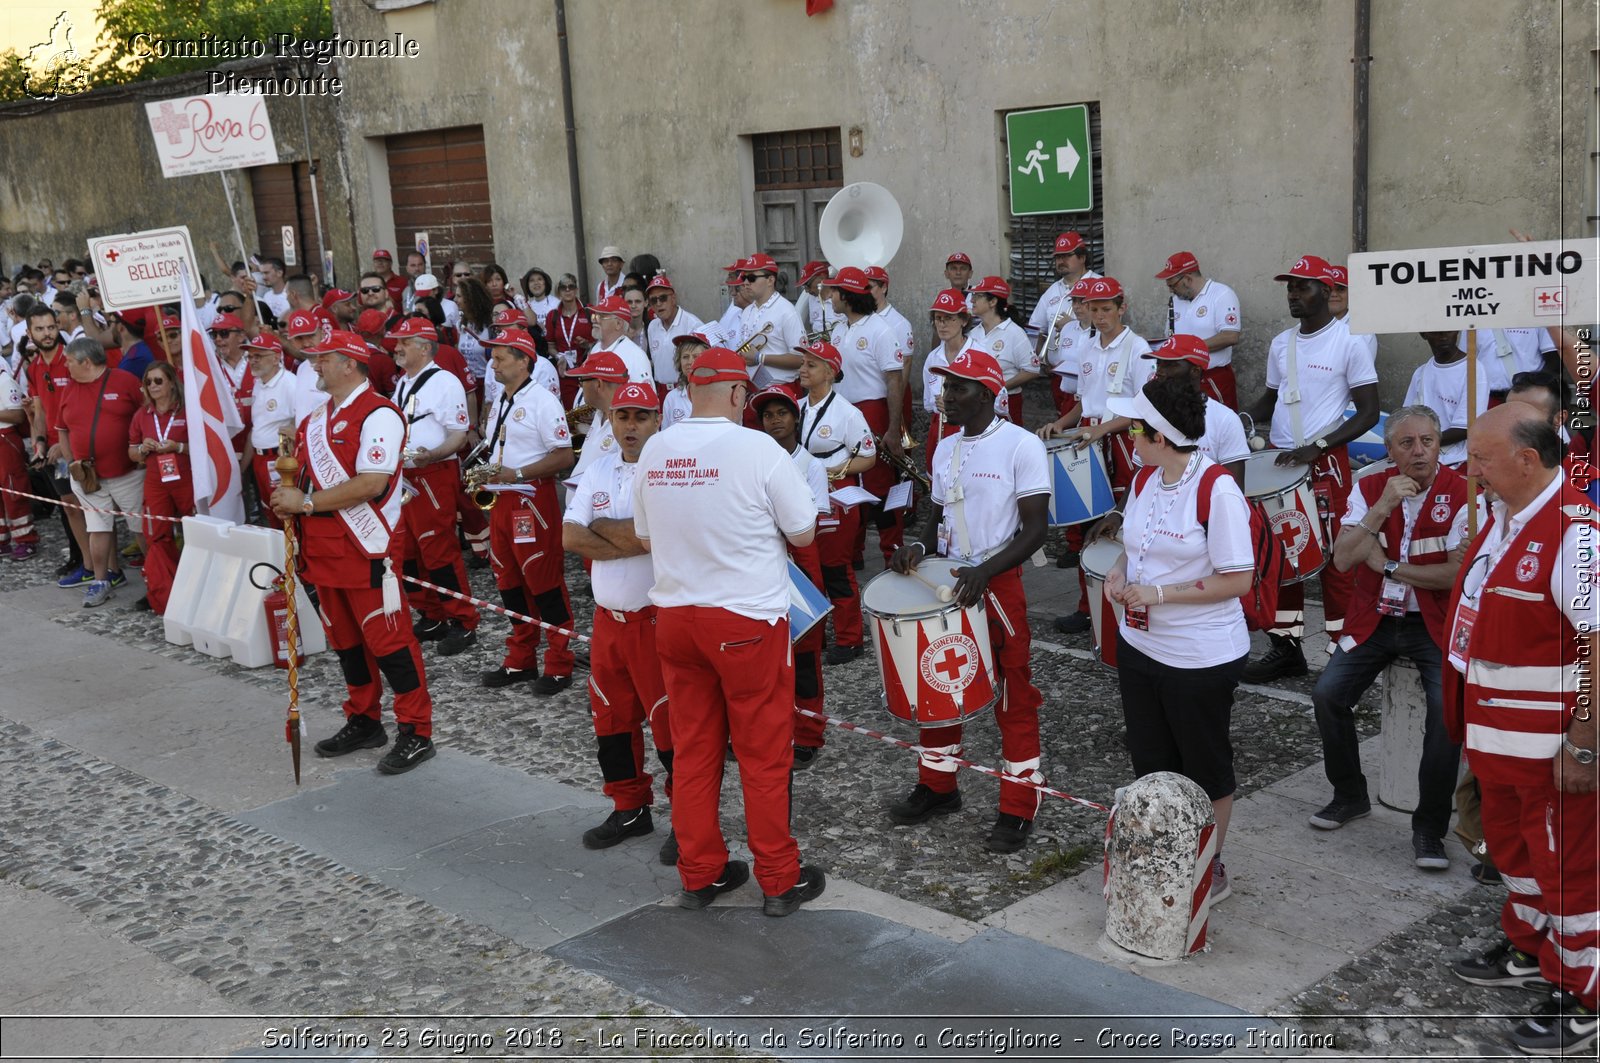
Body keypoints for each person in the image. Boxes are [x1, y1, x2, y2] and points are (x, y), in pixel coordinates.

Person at [633, 347, 825, 916]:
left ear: (693, 389)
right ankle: (776, 878)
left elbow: (645, 537)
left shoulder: (657, 449)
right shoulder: (758, 448)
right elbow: (804, 532)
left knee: (693, 752)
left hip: (675, 617)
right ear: (740, 394)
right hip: (744, 619)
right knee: (764, 755)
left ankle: (700, 873)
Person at [1444, 403, 1599, 1056]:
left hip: (1549, 750)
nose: (1471, 471)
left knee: (1571, 871)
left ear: (1527, 459)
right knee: (1512, 850)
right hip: (1498, 737)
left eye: (1481, 458)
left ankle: (1583, 990)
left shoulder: (1578, 532)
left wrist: (1586, 745)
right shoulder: (1505, 518)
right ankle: (1532, 941)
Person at [887, 348, 1049, 854]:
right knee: (940, 682)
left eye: (957, 388)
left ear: (987, 393)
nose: (945, 397)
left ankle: (1018, 805)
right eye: (944, 387)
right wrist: (918, 546)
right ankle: (938, 787)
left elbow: (1037, 528)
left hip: (996, 584)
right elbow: (936, 520)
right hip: (947, 583)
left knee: (1012, 693)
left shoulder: (1021, 445)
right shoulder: (943, 447)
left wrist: (986, 569)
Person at [1101, 374, 1256, 899]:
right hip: (1141, 644)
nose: (1127, 437)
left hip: (1200, 654)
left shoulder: (1217, 489)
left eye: (1135, 429)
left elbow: (1238, 579)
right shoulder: (1145, 479)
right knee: (1150, 758)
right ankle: (1166, 851)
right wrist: (1121, 574)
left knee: (1204, 763)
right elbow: (1136, 546)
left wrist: (1160, 596)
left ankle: (1210, 864)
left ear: (1159, 436)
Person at [1305, 405, 1471, 872]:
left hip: (1434, 625)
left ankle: (1429, 828)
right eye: (1407, 443)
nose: (1419, 451)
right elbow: (1342, 560)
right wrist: (1382, 510)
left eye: (1428, 441)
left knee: (1445, 714)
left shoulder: (1463, 494)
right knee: (1327, 694)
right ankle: (1349, 795)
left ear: (1440, 444)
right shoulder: (1370, 488)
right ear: (1389, 449)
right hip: (1375, 619)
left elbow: (1454, 576)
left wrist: (1389, 565)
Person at [268, 329, 437, 775]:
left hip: (365, 549)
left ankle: (416, 730)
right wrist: (288, 494)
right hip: (321, 552)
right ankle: (364, 719)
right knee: (345, 644)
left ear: (350, 363)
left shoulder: (380, 413)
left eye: (324, 358)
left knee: (391, 644)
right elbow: (305, 479)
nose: (315, 365)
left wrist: (303, 503)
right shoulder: (314, 419)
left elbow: (371, 483)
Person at [1239, 255, 1380, 680]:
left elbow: (1369, 413)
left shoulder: (1349, 341)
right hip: (1280, 460)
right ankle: (1287, 647)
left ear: (1326, 290)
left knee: (1337, 559)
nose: (1293, 295)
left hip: (1327, 462)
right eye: (1290, 288)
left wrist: (1317, 447)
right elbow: (1269, 400)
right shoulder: (1282, 343)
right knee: (1283, 555)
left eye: (1302, 287)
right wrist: (1234, 420)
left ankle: (1343, 650)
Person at [562, 381, 676, 860]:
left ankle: (690, 818)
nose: (630, 425)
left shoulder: (672, 472)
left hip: (656, 622)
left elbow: (660, 540)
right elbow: (570, 536)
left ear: (658, 420)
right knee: (611, 721)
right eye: (623, 416)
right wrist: (630, 535)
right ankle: (630, 807)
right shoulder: (596, 470)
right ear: (611, 420)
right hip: (608, 622)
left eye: (641, 417)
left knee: (672, 726)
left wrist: (602, 531)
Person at [1040, 276, 1156, 636]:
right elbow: (1082, 402)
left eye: (1107, 308)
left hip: (1121, 439)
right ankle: (1087, 604)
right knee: (1084, 526)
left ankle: (1123, 604)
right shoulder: (1087, 348)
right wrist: (1060, 423)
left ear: (1122, 308)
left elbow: (1144, 407)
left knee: (1119, 523)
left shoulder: (1137, 348)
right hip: (1088, 437)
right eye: (1094, 308)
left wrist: (1103, 429)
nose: (1100, 315)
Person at [478, 329, 577, 693]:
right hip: (502, 500)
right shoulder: (502, 398)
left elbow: (564, 456)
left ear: (524, 360)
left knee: (544, 580)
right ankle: (521, 659)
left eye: (501, 357)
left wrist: (516, 473)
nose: (494, 363)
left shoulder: (543, 401)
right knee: (508, 582)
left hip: (531, 500)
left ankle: (559, 663)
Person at [752, 384, 833, 766]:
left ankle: (808, 734)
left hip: (801, 560)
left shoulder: (811, 465)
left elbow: (808, 522)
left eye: (782, 413)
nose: (775, 421)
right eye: (768, 415)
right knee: (762, 652)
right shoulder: (753, 460)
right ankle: (770, 730)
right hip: (762, 559)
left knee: (804, 658)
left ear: (796, 417)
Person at [389, 317, 478, 656]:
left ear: (424, 348)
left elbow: (457, 435)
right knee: (409, 550)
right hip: (407, 476)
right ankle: (431, 613)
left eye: (403, 342)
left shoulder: (445, 382)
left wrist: (432, 455)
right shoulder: (402, 382)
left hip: (433, 474)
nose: (396, 347)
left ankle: (462, 620)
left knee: (437, 548)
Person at [820, 266, 907, 568]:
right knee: (849, 481)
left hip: (873, 410)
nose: (829, 296)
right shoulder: (840, 328)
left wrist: (893, 428)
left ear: (845, 295)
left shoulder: (880, 330)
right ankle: (852, 553)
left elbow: (894, 380)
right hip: (845, 412)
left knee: (880, 486)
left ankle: (891, 553)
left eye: (833, 291)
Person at [56, 337, 144, 607]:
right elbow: (62, 429)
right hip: (88, 476)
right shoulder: (69, 388)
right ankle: (100, 580)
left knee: (140, 527)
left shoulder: (125, 381)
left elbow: (146, 415)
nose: (66, 366)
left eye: (69, 361)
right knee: (97, 527)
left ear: (86, 362)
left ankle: (158, 577)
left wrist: (141, 456)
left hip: (128, 473)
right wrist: (72, 462)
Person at [126, 362, 192, 613]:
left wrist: (178, 447)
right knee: (157, 535)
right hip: (156, 481)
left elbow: (203, 445)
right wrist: (143, 448)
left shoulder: (187, 411)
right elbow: (131, 451)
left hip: (186, 479)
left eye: (158, 381)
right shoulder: (142, 415)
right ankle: (164, 590)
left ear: (172, 383)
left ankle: (195, 585)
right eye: (148, 382)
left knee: (195, 531)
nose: (152, 386)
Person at [1157, 252, 1243, 409]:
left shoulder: (1222, 294)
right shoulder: (1176, 301)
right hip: (1181, 378)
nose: (1170, 291)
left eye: (1172, 285)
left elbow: (1230, 336)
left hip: (1212, 377)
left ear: (1188, 279)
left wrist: (1189, 350)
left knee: (1217, 428)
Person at [1405, 332, 1489, 469]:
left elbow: (1465, 428)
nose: (1443, 336)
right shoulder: (1421, 372)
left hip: (1455, 462)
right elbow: (1406, 417)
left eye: (1449, 330)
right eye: (1437, 332)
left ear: (1457, 331)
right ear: (1424, 334)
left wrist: (1418, 443)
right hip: (1419, 459)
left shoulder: (1473, 369)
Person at [242, 334, 297, 529]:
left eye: (259, 356)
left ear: (276, 357)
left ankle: (290, 556)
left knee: (282, 511)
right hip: (260, 459)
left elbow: (303, 424)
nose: (253, 361)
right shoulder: (259, 384)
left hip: (278, 457)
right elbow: (257, 427)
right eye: (250, 356)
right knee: (269, 509)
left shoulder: (290, 384)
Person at [969, 276, 1038, 424]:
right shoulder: (973, 333)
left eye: (978, 296)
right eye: (973, 295)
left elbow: (1032, 370)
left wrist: (1000, 387)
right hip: (977, 402)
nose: (972, 300)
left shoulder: (1014, 332)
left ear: (993, 302)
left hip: (1007, 402)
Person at [737, 254, 806, 391]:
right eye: (744, 277)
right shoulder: (747, 311)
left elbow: (800, 359)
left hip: (781, 389)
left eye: (752, 278)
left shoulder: (787, 311)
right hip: (751, 388)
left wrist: (760, 358)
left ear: (770, 280)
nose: (745, 283)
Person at [1027, 231, 1099, 360]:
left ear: (1082, 258)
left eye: (1066, 256)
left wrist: (1071, 326)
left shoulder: (1099, 285)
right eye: (1058, 257)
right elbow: (1035, 329)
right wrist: (1043, 359)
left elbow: (1110, 326)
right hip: (1056, 372)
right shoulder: (1052, 291)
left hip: (1091, 368)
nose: (1061, 261)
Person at [0, 346, 37, 559]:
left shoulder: (5, 382)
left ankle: (26, 539)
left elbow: (17, 416)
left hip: (6, 440)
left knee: (14, 490)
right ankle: (3, 539)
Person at [642, 275, 704, 393]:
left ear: (673, 298)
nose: (659, 303)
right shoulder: (652, 326)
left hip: (685, 389)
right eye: (653, 300)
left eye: (663, 298)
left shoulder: (693, 324)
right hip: (660, 390)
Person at [545, 273, 594, 413]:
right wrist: (559, 357)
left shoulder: (588, 312)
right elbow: (551, 347)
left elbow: (600, 342)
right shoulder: (552, 316)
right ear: (558, 291)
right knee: (570, 413)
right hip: (565, 374)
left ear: (576, 289)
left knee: (588, 413)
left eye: (571, 286)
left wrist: (587, 345)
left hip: (587, 372)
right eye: (563, 287)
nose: (567, 290)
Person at [586, 295, 652, 386]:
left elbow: (646, 397)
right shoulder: (596, 349)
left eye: (600, 316)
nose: (594, 320)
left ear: (618, 324)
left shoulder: (636, 357)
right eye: (594, 316)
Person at [793, 260, 832, 341]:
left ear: (822, 277)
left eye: (808, 284)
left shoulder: (840, 297)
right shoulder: (812, 298)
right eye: (804, 287)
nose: (807, 291)